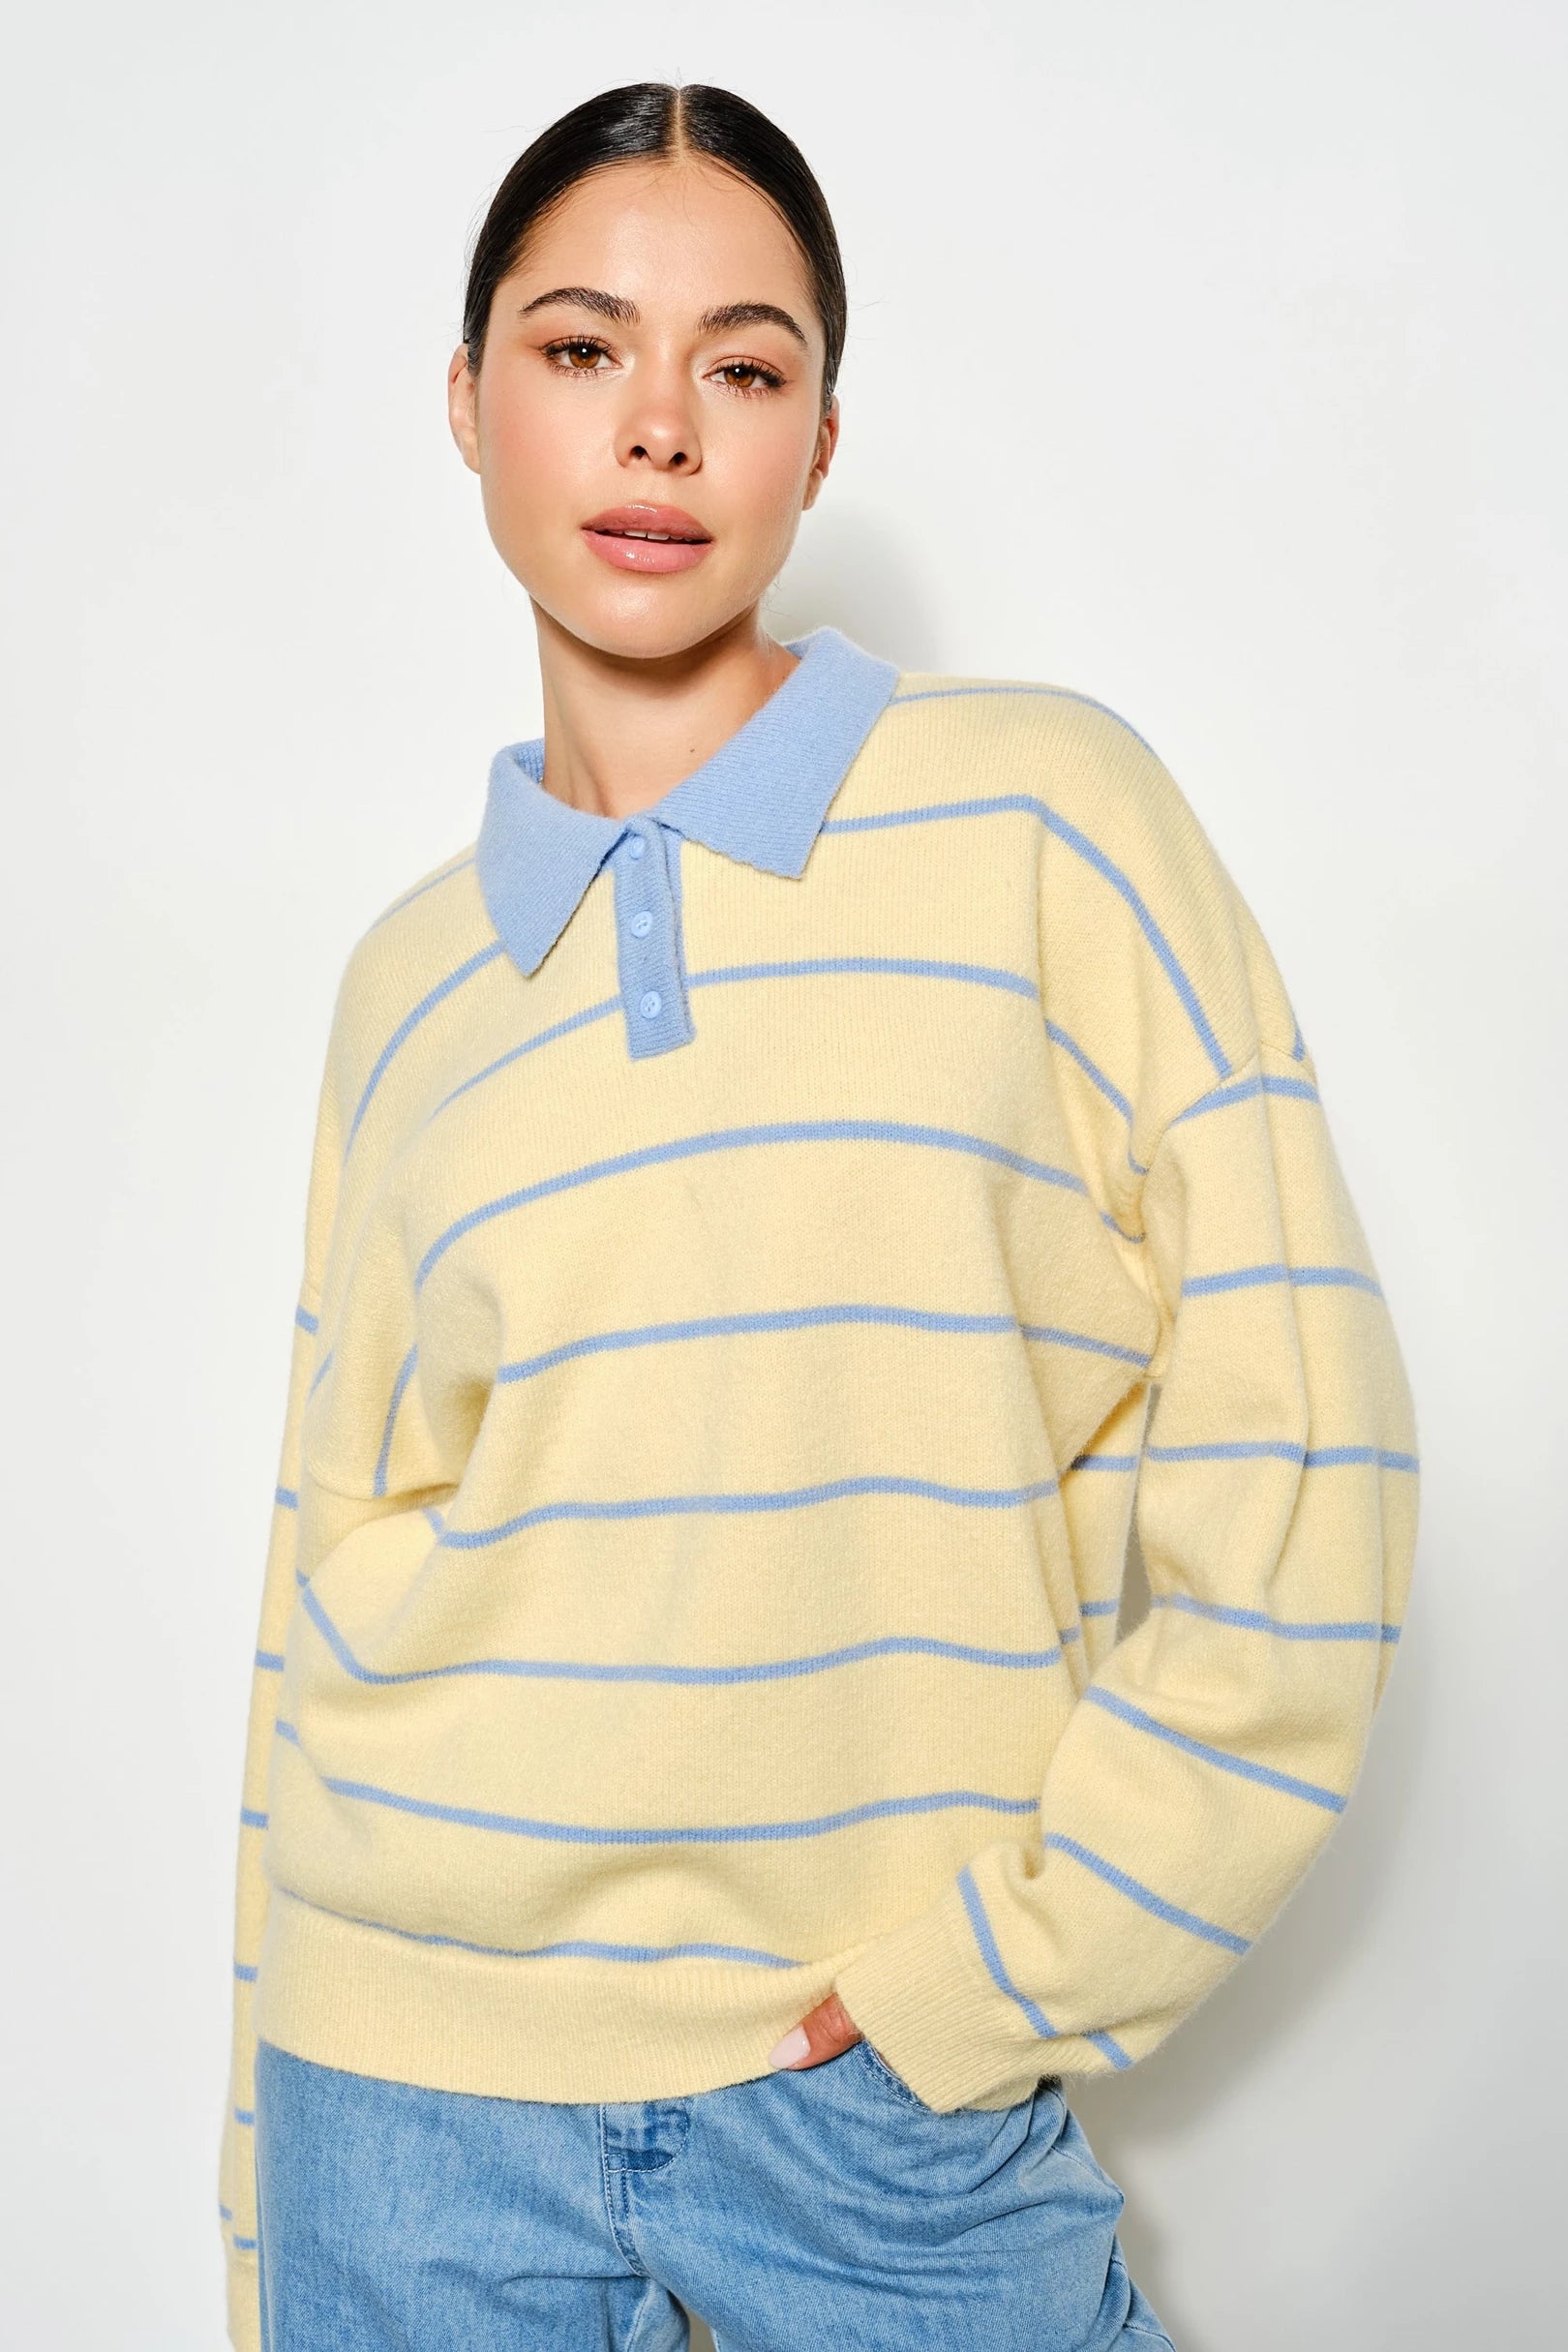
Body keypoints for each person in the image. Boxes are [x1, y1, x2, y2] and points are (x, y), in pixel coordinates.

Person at [218, 79, 1418, 2352]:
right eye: (581, 348)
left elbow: (1305, 1457)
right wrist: (270, 2203)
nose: (658, 426)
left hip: (879, 2097)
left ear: (820, 442)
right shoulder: (409, 985)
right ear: (467, 403)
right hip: (405, 2087)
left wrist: (1017, 1970)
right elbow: (321, 1577)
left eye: (744, 368)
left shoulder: (1048, 819)